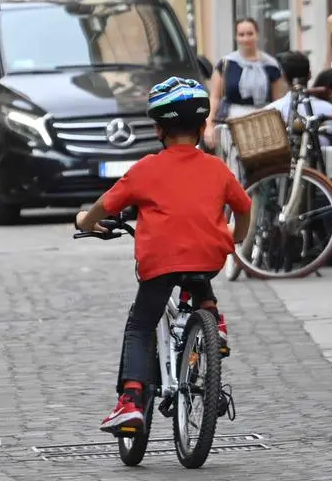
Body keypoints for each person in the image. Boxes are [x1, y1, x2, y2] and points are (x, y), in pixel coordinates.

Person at [75, 77, 252, 433]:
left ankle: (131, 400)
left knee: (141, 324)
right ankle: (211, 318)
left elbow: (105, 205)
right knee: (198, 273)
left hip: (162, 263)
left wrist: (85, 220)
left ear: (158, 129)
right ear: (203, 127)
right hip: (209, 257)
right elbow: (245, 207)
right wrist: (235, 238)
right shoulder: (217, 168)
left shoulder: (147, 169)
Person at [203, 18, 286, 149]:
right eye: (241, 35)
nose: (246, 39)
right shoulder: (226, 64)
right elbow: (215, 97)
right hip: (232, 123)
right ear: (236, 37)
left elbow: (278, 101)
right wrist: (209, 125)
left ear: (257, 35)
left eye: (250, 34)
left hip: (264, 123)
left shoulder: (271, 65)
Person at [266, 51, 332, 146]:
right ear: (309, 74)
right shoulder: (329, 109)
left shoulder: (271, 110)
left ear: (284, 77)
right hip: (325, 159)